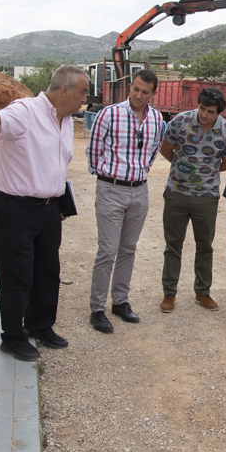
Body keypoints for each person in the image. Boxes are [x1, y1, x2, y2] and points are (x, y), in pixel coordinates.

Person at [0, 64, 88, 362]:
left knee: (47, 273)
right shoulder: (26, 111)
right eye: (82, 92)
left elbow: (56, 164)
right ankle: (13, 337)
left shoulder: (65, 121)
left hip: (49, 209)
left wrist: (58, 202)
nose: (84, 99)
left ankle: (40, 326)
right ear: (65, 91)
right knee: (16, 275)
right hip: (15, 208)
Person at [85, 69, 164, 333]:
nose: (138, 95)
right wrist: (107, 176)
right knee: (108, 250)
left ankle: (120, 302)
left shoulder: (157, 119)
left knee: (128, 248)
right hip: (111, 188)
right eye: (136, 89)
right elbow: (93, 152)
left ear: (153, 93)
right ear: (130, 87)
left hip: (139, 191)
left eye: (145, 92)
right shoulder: (109, 114)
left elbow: (152, 152)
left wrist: (138, 175)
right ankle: (97, 309)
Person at [159, 88, 226, 313]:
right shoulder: (180, 121)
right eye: (202, 108)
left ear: (219, 113)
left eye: (210, 112)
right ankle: (169, 293)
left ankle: (202, 292)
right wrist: (184, 169)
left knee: (205, 246)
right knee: (173, 245)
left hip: (207, 197)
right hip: (176, 193)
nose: (204, 114)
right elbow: (166, 150)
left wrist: (205, 173)